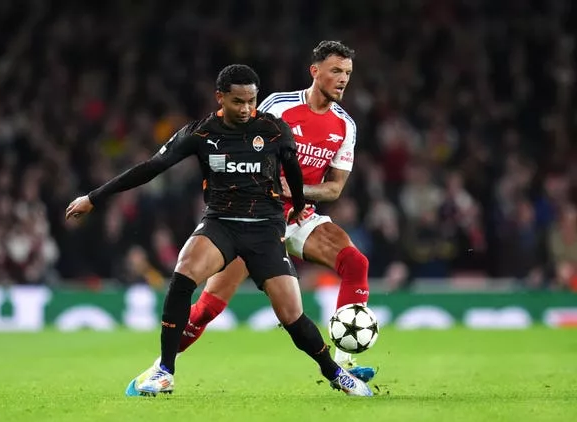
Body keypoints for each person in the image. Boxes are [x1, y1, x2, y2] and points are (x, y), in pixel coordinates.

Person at [65, 64, 373, 397]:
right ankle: (164, 370)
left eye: (251, 102)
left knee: (292, 317)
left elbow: (294, 175)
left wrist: (298, 203)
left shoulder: (274, 129)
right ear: (220, 98)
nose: (245, 109)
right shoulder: (201, 133)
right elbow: (151, 168)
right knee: (183, 275)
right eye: (238, 102)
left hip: (265, 229)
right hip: (221, 224)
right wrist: (94, 197)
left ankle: (337, 372)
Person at [168, 41, 373, 372]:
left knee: (355, 261)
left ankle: (345, 361)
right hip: (256, 216)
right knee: (208, 307)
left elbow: (334, 187)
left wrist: (298, 192)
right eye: (336, 71)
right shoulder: (280, 106)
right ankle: (160, 367)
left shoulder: (345, 125)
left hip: (300, 215)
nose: (343, 79)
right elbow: (244, 145)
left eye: (347, 73)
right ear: (315, 71)